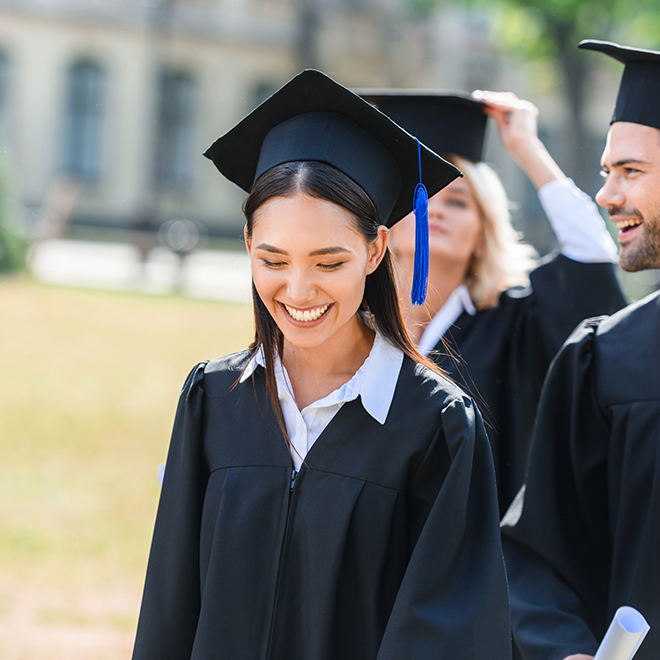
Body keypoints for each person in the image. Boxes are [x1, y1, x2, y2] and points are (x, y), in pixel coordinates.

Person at [131, 70, 512, 660]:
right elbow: (169, 610)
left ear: (376, 250)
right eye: (273, 259)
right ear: (248, 245)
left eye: (329, 262)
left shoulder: (433, 426)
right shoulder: (213, 399)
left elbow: (445, 636)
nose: (298, 290)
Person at [360, 89, 626, 511]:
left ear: (484, 234)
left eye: (459, 201)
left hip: (477, 556)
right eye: (419, 195)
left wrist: (528, 149)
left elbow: (590, 257)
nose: (436, 210)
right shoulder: (350, 319)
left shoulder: (515, 324)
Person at [501, 40, 660, 660]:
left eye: (631, 171)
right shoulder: (607, 362)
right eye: (606, 172)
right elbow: (541, 557)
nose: (608, 194)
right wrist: (564, 649)